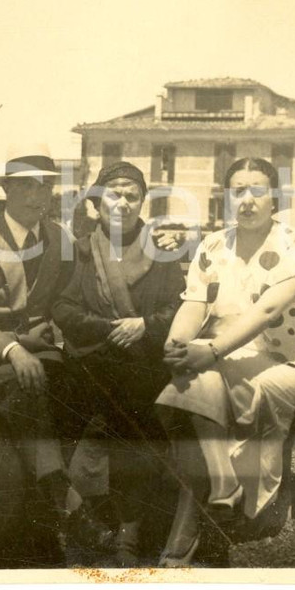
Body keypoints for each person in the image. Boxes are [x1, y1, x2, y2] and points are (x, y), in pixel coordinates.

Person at [156, 157, 295, 567]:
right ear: (226, 196)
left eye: (257, 190)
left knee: (202, 382)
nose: (247, 200)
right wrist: (177, 344)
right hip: (217, 356)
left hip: (279, 362)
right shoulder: (213, 245)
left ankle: (188, 527)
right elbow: (194, 303)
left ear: (274, 198)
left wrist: (209, 351)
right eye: (237, 191)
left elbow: (266, 312)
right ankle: (225, 483)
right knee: (198, 382)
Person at [0, 148, 114, 567]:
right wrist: (13, 347)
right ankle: (67, 499)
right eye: (26, 185)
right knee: (22, 384)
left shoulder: (59, 239)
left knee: (77, 386)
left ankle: (33, 524)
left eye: (45, 185)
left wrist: (166, 238)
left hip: (41, 354)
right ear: (6, 191)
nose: (37, 194)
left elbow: (98, 260)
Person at [52, 161, 185, 567]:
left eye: (132, 195)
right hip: (94, 357)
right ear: (97, 199)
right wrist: (108, 328)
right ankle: (93, 516)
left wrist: (143, 324)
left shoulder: (163, 250)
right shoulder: (80, 249)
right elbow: (63, 306)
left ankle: (129, 526)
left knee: (134, 408)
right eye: (115, 193)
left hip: (142, 361)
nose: (123, 203)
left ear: (143, 201)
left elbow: (176, 308)